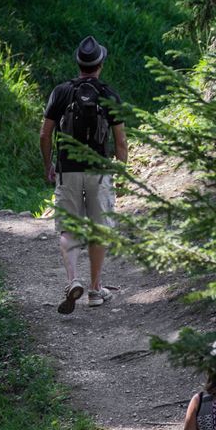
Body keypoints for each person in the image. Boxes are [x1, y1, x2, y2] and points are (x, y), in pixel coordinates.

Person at [40, 35, 128, 314]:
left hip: (68, 171)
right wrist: (120, 172)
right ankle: (94, 290)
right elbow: (121, 142)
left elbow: (45, 134)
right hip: (99, 171)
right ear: (100, 63)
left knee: (68, 229)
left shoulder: (61, 92)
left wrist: (48, 165)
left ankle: (72, 281)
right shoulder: (109, 94)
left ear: (79, 63)